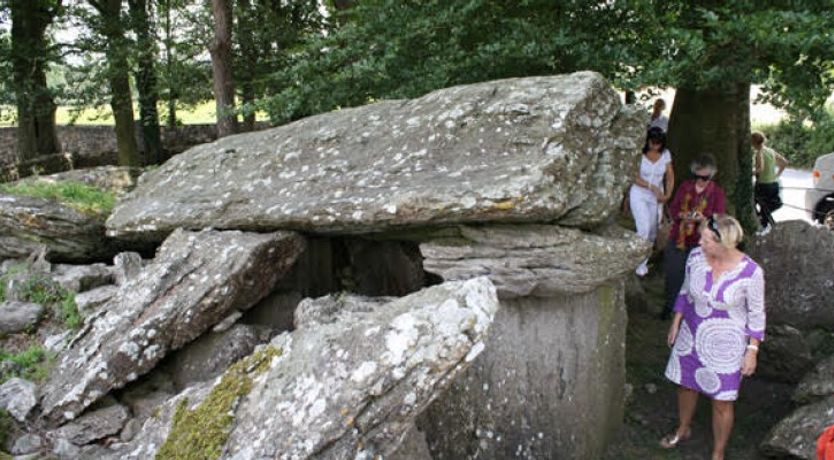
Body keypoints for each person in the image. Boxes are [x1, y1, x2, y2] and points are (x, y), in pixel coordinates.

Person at [660, 214, 765, 460]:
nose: (700, 243)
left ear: (724, 244)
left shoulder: (751, 272)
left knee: (722, 401)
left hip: (727, 345)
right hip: (691, 334)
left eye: (706, 240)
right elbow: (686, 291)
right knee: (686, 384)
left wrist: (752, 350)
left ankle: (718, 453)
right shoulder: (696, 257)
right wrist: (676, 322)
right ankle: (683, 428)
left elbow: (757, 314)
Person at [661, 154, 726, 319]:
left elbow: (718, 218)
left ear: (712, 175)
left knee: (697, 277)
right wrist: (683, 215)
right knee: (674, 273)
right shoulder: (685, 187)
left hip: (702, 241)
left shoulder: (717, 192)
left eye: (705, 178)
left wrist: (703, 219)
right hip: (679, 237)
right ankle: (670, 305)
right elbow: (674, 209)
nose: (700, 181)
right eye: (697, 176)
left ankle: (691, 311)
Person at [630, 127, 674, 276]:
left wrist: (667, 194)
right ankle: (639, 266)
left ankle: (644, 259)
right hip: (640, 193)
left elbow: (670, 176)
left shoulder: (665, 154)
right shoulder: (639, 153)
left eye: (658, 143)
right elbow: (634, 176)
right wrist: (651, 187)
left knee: (653, 231)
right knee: (644, 228)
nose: (655, 146)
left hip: (656, 197)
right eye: (652, 142)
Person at [751, 131, 788, 234]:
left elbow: (760, 169)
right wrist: (777, 175)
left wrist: (750, 173)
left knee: (752, 203)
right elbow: (784, 162)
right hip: (774, 184)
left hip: (763, 185)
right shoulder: (770, 151)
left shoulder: (759, 153)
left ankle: (763, 225)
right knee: (766, 208)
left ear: (753, 142)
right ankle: (766, 224)